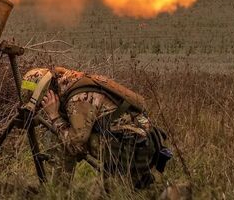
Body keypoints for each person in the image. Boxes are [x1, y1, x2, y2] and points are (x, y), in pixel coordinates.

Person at [21, 66, 171, 188]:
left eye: (40, 102)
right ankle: (59, 189)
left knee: (68, 139)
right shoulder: (71, 82)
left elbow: (75, 145)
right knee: (63, 133)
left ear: (48, 93)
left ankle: (60, 190)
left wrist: (54, 116)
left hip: (134, 147)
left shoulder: (78, 99)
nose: (41, 107)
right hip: (132, 141)